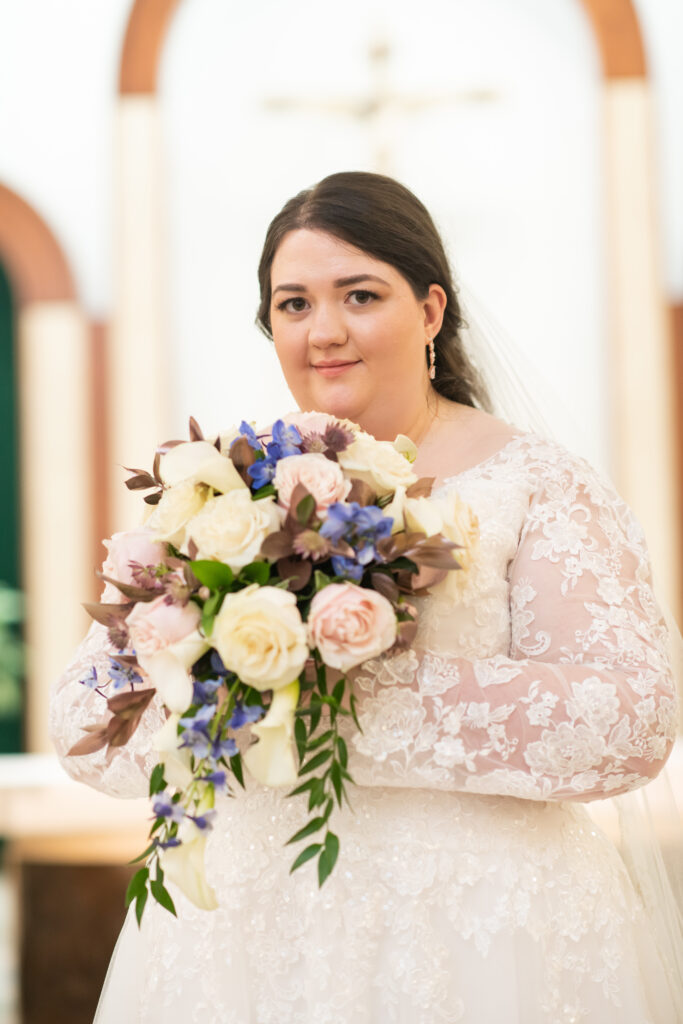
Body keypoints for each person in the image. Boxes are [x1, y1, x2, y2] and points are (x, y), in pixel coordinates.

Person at [50, 171, 682, 1023]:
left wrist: (323, 694)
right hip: (243, 940)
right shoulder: (217, 493)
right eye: (294, 305)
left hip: (484, 933)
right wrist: (226, 669)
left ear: (429, 312)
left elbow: (627, 722)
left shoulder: (535, 484)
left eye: (359, 295)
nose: (326, 332)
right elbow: (87, 733)